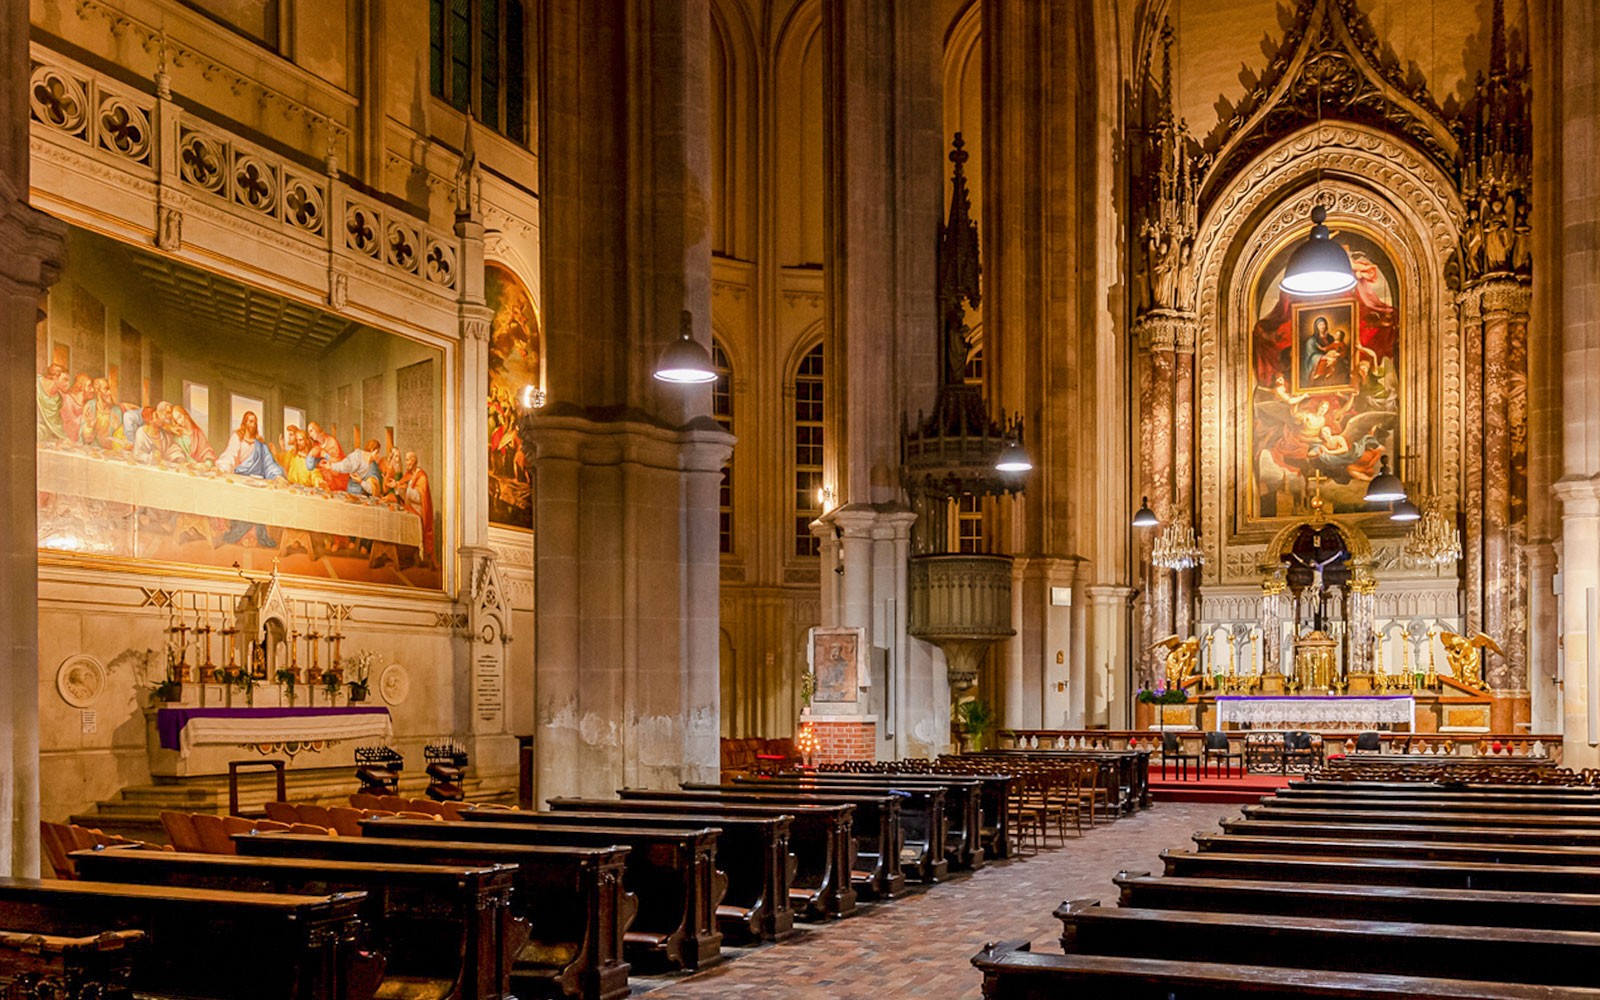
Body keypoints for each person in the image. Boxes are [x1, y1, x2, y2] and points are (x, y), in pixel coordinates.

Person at [386, 450, 435, 566]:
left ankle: (412, 555)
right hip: (409, 507)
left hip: (419, 510)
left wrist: (403, 487)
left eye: (408, 460)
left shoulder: (422, 476)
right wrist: (398, 487)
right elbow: (404, 495)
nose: (406, 462)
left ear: (413, 461)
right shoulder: (409, 475)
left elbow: (419, 498)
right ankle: (403, 553)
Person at [216, 411, 285, 479]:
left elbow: (269, 462)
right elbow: (230, 454)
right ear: (245, 422)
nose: (253, 425)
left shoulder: (260, 443)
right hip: (239, 477)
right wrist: (222, 468)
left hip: (256, 479)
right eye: (251, 421)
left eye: (255, 423)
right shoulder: (238, 437)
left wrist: (277, 476)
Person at [78, 378, 130, 451]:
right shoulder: (90, 406)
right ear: (97, 391)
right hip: (91, 451)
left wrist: (116, 429)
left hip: (110, 453)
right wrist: (89, 427)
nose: (110, 393)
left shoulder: (116, 411)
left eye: (110, 390)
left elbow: (121, 441)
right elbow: (85, 440)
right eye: (106, 389)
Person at [36, 363, 70, 442]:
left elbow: (55, 425)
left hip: (44, 435)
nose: (68, 384)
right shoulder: (35, 385)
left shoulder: (58, 399)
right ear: (55, 378)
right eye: (65, 380)